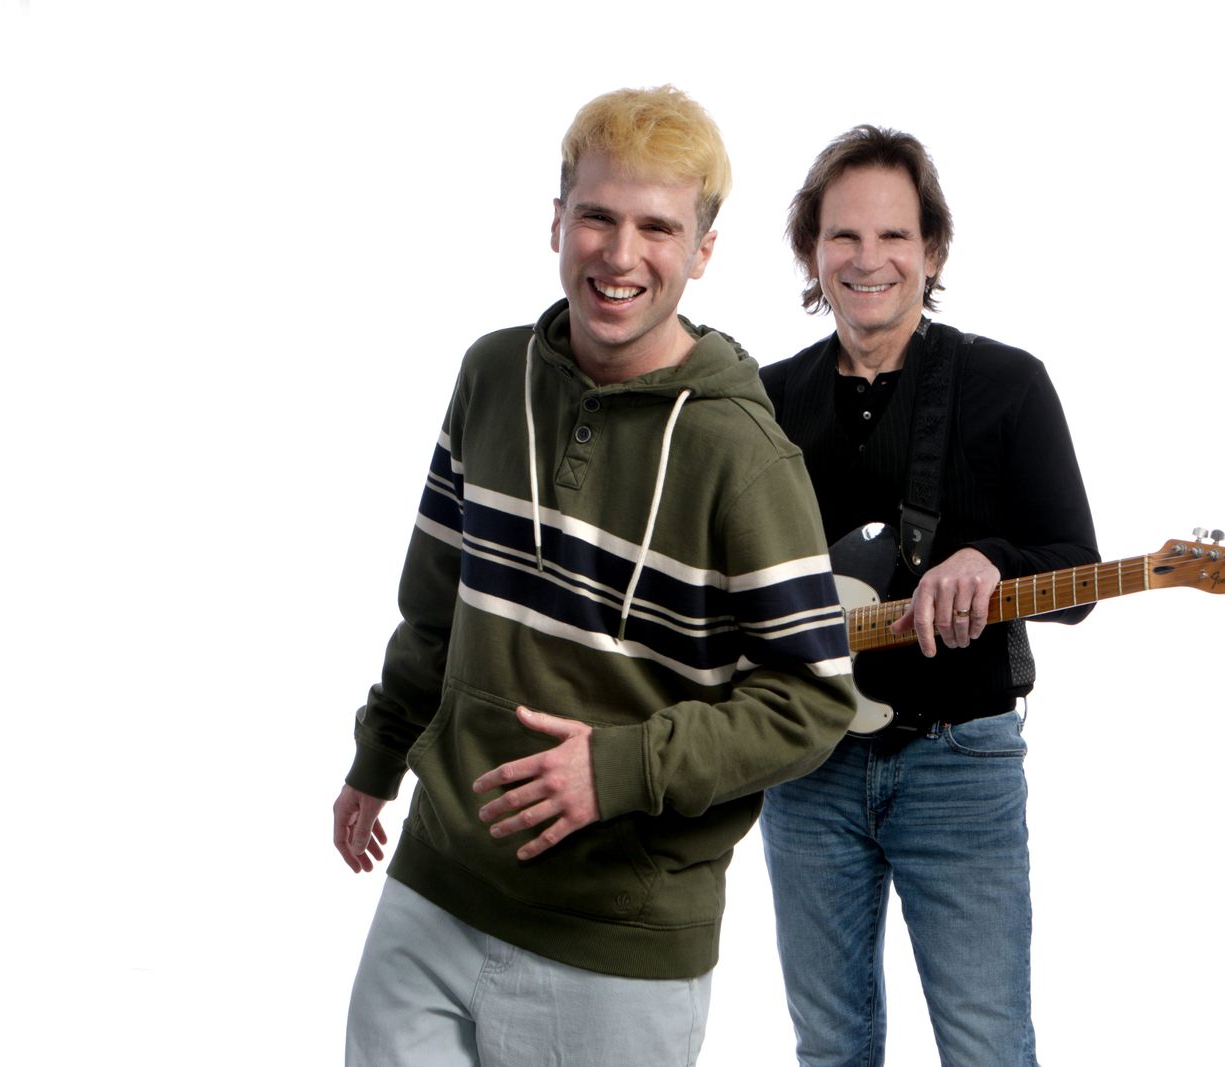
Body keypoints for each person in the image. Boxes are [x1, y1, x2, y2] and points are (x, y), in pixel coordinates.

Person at [333, 86, 856, 1067]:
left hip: (617, 941)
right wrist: (379, 754)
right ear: (556, 222)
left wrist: (618, 768)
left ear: (702, 251)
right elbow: (434, 604)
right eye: (598, 217)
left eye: (657, 228)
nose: (620, 255)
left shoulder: (741, 454)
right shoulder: (491, 376)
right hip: (434, 887)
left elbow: (812, 699)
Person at [758, 125, 1099, 1067]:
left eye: (894, 236)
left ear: (933, 251)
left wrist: (991, 558)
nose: (868, 259)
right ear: (812, 252)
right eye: (843, 235)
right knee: (829, 1047)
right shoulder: (764, 400)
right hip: (806, 767)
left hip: (960, 765)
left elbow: (1077, 573)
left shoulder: (1007, 385)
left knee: (987, 1046)